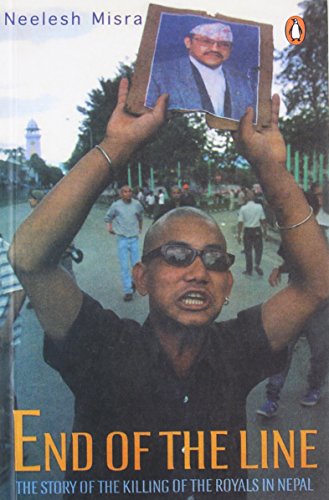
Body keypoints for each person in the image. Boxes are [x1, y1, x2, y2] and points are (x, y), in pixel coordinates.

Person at [9, 81, 329, 499]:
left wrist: (270, 166)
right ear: (140, 278)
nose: (198, 271)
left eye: (215, 259)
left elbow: (317, 283)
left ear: (228, 283)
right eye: (177, 255)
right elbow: (30, 258)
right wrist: (116, 146)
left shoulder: (237, 348)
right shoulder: (101, 349)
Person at [257, 191, 329, 417]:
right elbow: (292, 260)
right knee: (282, 348)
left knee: (320, 352)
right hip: (295, 301)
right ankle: (271, 398)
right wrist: (280, 269)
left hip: (321, 307)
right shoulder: (291, 233)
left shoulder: (324, 232)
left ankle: (315, 386)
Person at [146, 22, 256, 120]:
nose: (215, 48)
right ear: (188, 42)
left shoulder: (245, 82)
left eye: (224, 44)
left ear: (230, 49)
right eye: (206, 41)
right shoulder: (157, 73)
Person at [0, 235, 25, 484]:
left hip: (1, 344)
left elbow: (17, 291)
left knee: (4, 396)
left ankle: (11, 451)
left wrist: (3, 335)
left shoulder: (3, 252)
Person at [104, 185, 144, 301]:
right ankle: (128, 291)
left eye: (130, 191)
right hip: (122, 239)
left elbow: (140, 216)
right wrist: (110, 228)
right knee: (124, 266)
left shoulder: (137, 204)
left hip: (134, 238)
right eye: (125, 192)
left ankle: (133, 282)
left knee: (136, 265)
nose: (128, 193)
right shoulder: (116, 205)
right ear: (121, 194)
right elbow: (108, 217)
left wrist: (140, 228)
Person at [237, 189, 267, 276]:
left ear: (246, 198)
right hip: (257, 230)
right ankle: (257, 264)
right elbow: (263, 220)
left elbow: (240, 223)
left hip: (247, 231)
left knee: (248, 251)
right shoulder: (259, 207)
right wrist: (265, 232)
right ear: (254, 198)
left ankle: (249, 270)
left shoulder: (243, 208)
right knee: (258, 249)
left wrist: (238, 235)